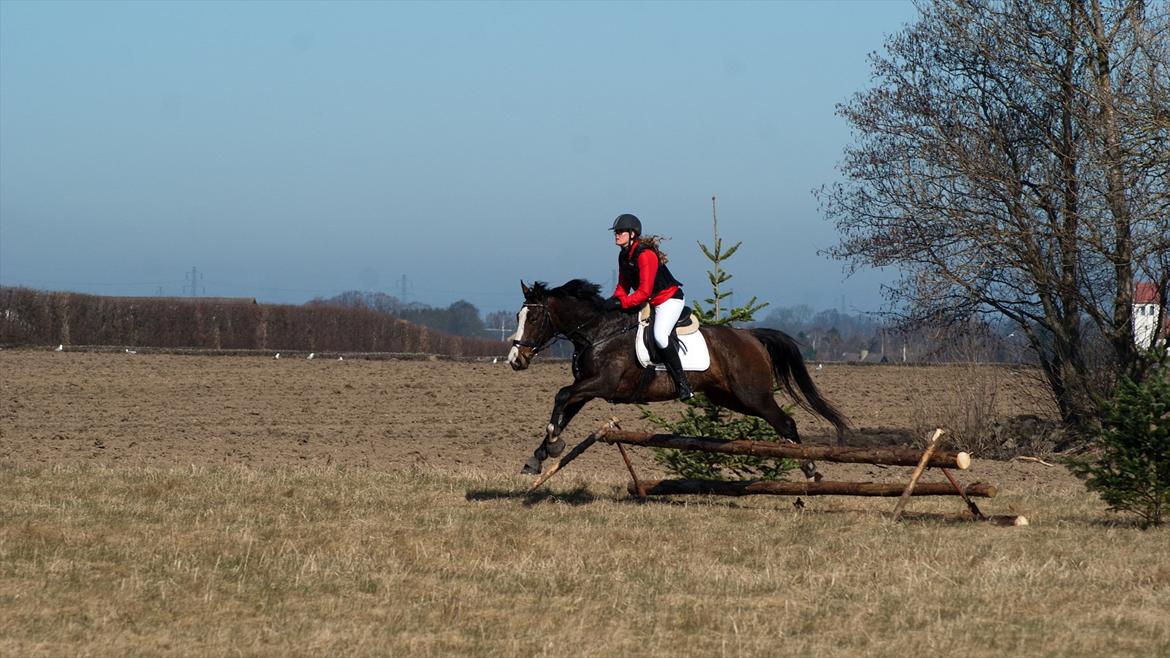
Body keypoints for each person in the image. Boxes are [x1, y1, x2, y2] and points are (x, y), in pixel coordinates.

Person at [602, 213, 694, 400]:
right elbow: (623, 286)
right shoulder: (624, 255)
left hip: (669, 300)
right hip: (651, 302)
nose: (616, 235)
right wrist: (613, 301)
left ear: (632, 234)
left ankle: (683, 384)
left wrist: (623, 302)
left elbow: (643, 292)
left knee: (660, 336)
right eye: (616, 232)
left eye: (620, 232)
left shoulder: (645, 255)